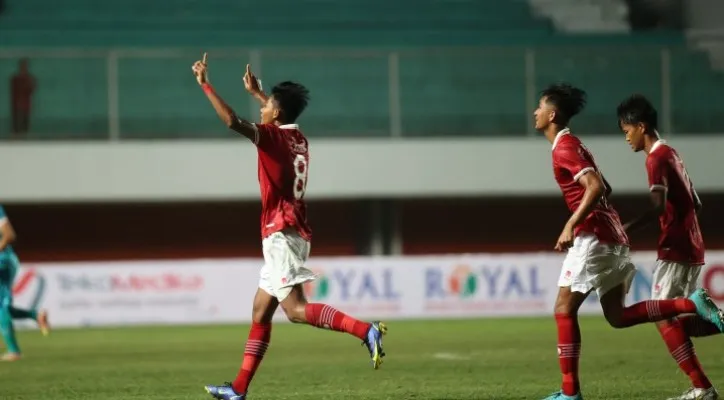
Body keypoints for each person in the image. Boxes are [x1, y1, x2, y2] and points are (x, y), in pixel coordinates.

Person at [191, 53, 387, 400]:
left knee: (295, 310)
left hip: (281, 233)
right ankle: (238, 389)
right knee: (260, 310)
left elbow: (232, 121)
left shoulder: (271, 138)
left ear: (276, 116)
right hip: (290, 230)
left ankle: (365, 331)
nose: (262, 114)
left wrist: (205, 84)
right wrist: (260, 94)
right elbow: (276, 114)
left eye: (266, 110)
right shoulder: (299, 140)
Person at [533, 83, 724, 400]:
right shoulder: (579, 146)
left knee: (564, 309)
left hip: (598, 237)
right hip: (614, 236)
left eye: (539, 106)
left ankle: (570, 393)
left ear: (552, 115)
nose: (535, 112)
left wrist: (571, 224)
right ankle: (701, 371)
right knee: (619, 317)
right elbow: (605, 187)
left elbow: (596, 187)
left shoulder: (567, 148)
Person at [618, 94, 721, 400]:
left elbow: (658, 206)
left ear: (641, 126)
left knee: (664, 317)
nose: (626, 138)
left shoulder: (656, 158)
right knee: (675, 322)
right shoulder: (672, 153)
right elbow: (697, 203)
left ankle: (703, 388)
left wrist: (625, 229)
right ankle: (703, 387)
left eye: (627, 131)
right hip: (692, 243)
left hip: (675, 247)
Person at [0, 205, 50, 361]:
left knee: (1, 305)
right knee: (4, 306)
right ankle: (36, 315)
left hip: (3, 261)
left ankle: (14, 351)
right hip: (7, 261)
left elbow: (9, 235)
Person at [10, 58, 36, 137]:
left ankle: (22, 137)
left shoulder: (27, 79)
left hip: (25, 106)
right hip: (19, 106)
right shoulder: (17, 79)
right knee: (19, 125)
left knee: (24, 125)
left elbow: (31, 89)